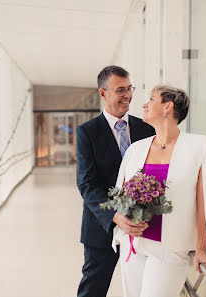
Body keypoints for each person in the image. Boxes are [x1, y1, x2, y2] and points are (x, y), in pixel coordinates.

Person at [112, 85, 206, 297]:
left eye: (151, 99)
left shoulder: (199, 146)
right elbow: (120, 195)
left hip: (170, 250)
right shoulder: (135, 149)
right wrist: (122, 220)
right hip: (133, 244)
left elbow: (205, 201)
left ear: (167, 107)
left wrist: (202, 249)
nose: (144, 104)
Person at [76, 66, 155, 297]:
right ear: (103, 93)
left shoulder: (147, 128)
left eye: (129, 88)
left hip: (143, 226)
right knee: (93, 289)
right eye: (120, 90)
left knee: (143, 289)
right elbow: (87, 184)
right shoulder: (87, 132)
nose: (128, 95)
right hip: (102, 226)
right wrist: (116, 216)